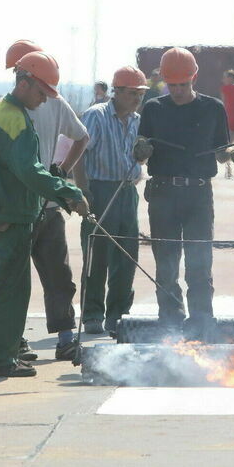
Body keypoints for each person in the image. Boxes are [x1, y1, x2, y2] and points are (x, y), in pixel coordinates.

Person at [0, 40, 90, 362]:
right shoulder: (12, 116)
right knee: (12, 288)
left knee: (29, 283)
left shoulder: (12, 110)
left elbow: (77, 138)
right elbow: (27, 170)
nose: (44, 98)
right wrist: (68, 191)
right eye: (41, 91)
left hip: (27, 207)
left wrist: (54, 177)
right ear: (24, 80)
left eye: (47, 92)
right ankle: (5, 354)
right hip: (17, 210)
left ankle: (15, 348)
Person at [134, 47, 234, 341]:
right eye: (172, 85)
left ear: (193, 78)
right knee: (167, 264)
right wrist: (141, 151)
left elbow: (222, 152)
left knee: (199, 263)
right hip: (162, 194)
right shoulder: (153, 109)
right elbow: (140, 152)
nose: (178, 90)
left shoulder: (212, 108)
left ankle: (201, 322)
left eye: (183, 84)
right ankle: (170, 323)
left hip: (198, 195)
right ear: (163, 81)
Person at [73, 66, 148, 336]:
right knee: (97, 255)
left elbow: (138, 156)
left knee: (126, 255)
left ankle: (118, 314)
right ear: (116, 92)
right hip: (100, 190)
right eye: (132, 93)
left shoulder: (138, 121)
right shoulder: (96, 116)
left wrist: (143, 156)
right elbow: (78, 153)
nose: (136, 98)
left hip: (127, 191)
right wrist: (82, 191)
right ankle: (92, 313)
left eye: (140, 93)